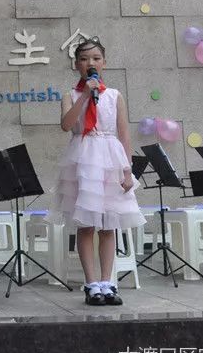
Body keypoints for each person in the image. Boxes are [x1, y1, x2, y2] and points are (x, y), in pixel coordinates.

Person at [53, 37, 145, 306]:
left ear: (104, 62)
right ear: (76, 64)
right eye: (84, 59)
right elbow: (67, 125)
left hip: (110, 157)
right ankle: (91, 284)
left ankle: (108, 283)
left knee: (109, 225)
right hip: (83, 157)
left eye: (95, 58)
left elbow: (125, 135)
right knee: (87, 224)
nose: (90, 63)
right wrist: (84, 96)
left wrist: (127, 171)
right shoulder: (70, 94)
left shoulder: (115, 96)